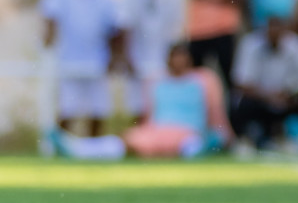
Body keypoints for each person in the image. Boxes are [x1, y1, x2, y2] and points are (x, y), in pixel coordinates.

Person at [48, 42, 230, 160]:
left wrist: (225, 135)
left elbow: (216, 112)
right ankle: (77, 148)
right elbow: (150, 115)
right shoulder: (157, 81)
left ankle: (200, 151)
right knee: (124, 143)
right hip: (158, 131)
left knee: (192, 146)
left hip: (190, 133)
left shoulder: (204, 79)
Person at [39, 0, 125, 138]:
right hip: (69, 58)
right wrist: (48, 40)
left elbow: (115, 29)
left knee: (98, 110)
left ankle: (93, 149)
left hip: (97, 60)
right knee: (67, 109)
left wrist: (115, 57)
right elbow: (50, 14)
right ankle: (60, 147)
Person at [230, 16, 298, 147]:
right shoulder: (250, 44)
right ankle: (251, 137)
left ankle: (295, 136)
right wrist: (268, 96)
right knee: (243, 105)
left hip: (288, 98)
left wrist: (289, 93)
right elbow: (241, 82)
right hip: (260, 99)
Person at [120, 0, 187, 120]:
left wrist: (176, 59)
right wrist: (127, 57)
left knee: (162, 105)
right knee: (137, 105)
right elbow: (126, 25)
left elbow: (178, 26)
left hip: (164, 58)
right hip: (139, 57)